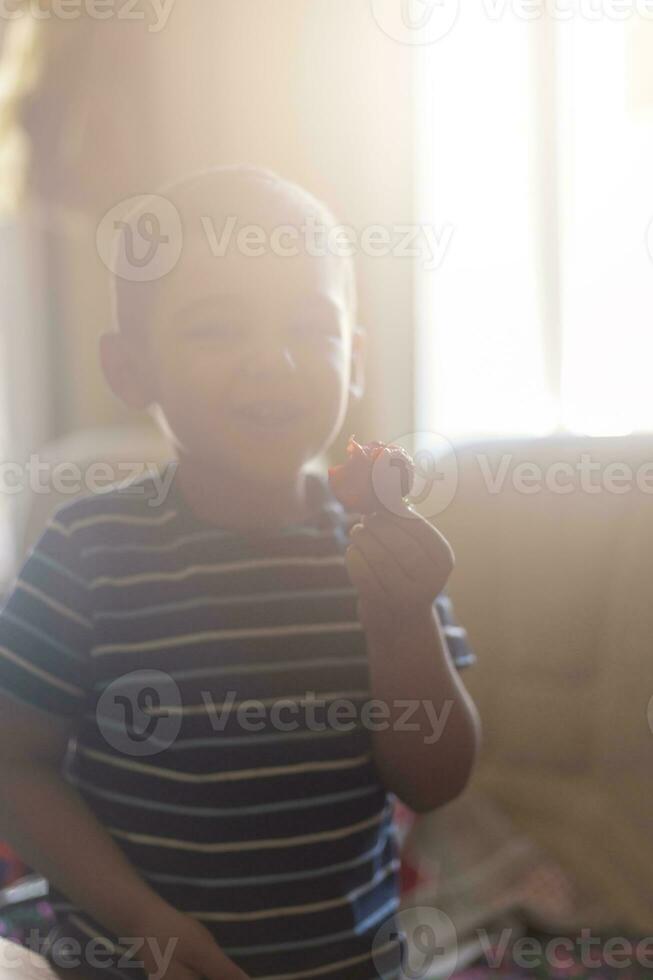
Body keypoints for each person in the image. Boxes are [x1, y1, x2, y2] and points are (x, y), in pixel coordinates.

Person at [0, 166, 480, 980]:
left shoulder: (379, 551)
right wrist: (146, 923)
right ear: (130, 370)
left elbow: (434, 780)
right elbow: (16, 760)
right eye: (218, 328)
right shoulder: (87, 550)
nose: (273, 359)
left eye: (310, 328)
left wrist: (400, 618)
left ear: (354, 361)